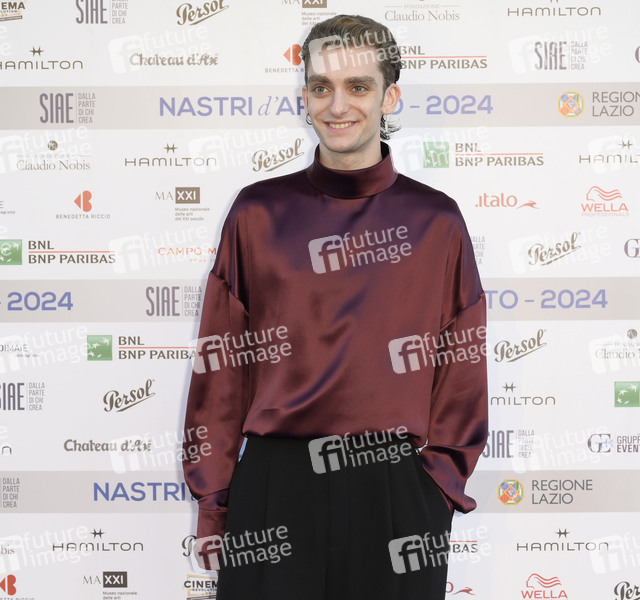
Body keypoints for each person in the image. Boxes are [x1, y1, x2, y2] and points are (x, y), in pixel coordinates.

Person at [182, 14, 487, 600]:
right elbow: (221, 370)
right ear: (305, 97)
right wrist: (215, 499)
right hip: (274, 488)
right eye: (321, 86)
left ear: (389, 97)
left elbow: (462, 371)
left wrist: (436, 489)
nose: (337, 105)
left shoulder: (437, 222)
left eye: (358, 86)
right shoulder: (256, 213)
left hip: (395, 492)